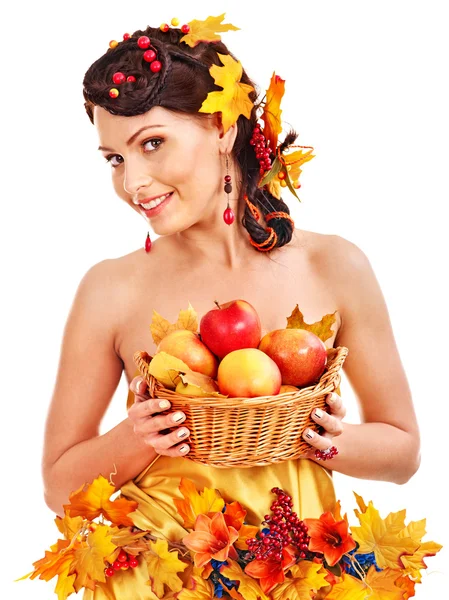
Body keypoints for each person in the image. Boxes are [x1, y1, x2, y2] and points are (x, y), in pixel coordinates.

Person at [41, 16, 421, 598]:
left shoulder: (334, 266)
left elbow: (403, 451)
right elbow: (58, 485)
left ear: (221, 126)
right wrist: (143, 436)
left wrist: (320, 439)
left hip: (301, 572)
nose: (134, 181)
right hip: (158, 578)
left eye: (151, 143)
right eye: (115, 158)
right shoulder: (111, 288)